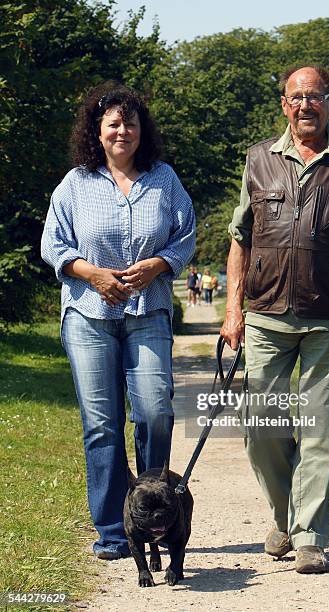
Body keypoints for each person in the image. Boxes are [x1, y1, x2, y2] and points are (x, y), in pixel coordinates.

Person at [221, 65, 329, 574]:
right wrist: (233, 308)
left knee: (319, 428)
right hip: (265, 315)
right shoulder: (258, 159)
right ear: (284, 104)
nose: (305, 105)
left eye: (315, 97)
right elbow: (241, 237)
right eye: (296, 97)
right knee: (263, 427)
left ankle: (308, 536)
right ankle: (284, 516)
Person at [41, 82, 195, 560]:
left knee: (154, 410)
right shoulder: (75, 183)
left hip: (148, 312)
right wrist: (90, 273)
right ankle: (115, 531)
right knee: (102, 425)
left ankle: (159, 517)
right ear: (98, 131)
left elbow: (185, 235)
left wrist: (159, 264)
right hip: (89, 315)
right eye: (113, 123)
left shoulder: (164, 179)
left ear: (141, 129)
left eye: (130, 122)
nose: (122, 130)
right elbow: (53, 245)